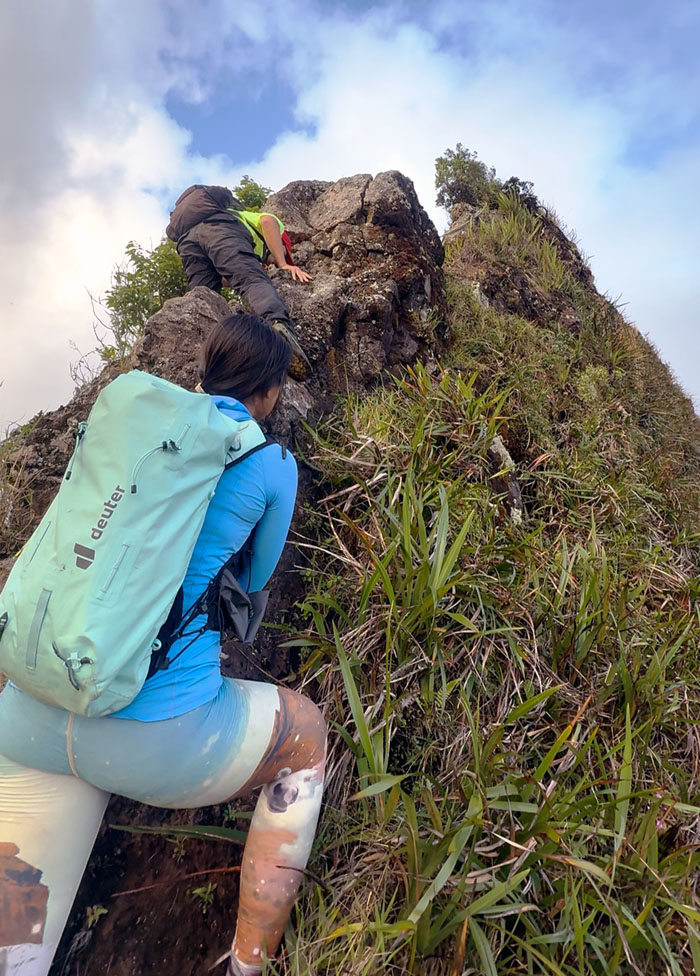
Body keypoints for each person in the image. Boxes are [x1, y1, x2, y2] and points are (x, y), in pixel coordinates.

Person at [0, 314, 327, 976]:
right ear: (268, 391)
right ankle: (248, 963)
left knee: (17, 940)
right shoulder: (269, 465)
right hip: (157, 741)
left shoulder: (133, 425)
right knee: (306, 737)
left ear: (205, 368)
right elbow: (254, 580)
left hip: (27, 713)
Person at [166, 185, 312, 375]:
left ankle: (210, 363)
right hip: (219, 228)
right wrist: (283, 263)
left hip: (187, 242)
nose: (274, 262)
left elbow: (224, 276)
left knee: (203, 299)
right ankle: (279, 328)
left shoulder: (211, 224)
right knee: (252, 280)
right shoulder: (250, 220)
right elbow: (268, 221)